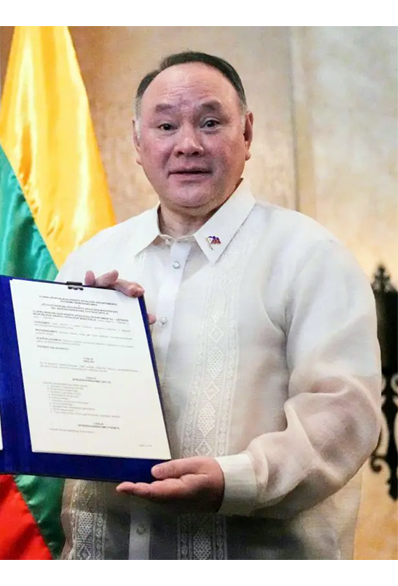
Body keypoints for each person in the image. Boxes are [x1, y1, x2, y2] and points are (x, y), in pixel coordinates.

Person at [55, 51, 382, 559]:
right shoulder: (92, 261)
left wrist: (236, 481)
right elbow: (46, 402)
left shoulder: (309, 256)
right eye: (166, 126)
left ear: (246, 133)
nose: (187, 144)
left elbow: (344, 414)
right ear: (138, 142)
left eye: (210, 123)